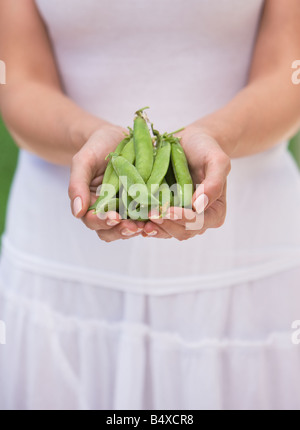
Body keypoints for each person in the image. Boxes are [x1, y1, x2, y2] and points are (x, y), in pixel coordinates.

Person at [0, 0, 300, 410]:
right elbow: (17, 82)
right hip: (63, 265)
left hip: (249, 263)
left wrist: (217, 136)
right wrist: (85, 137)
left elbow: (290, 74)